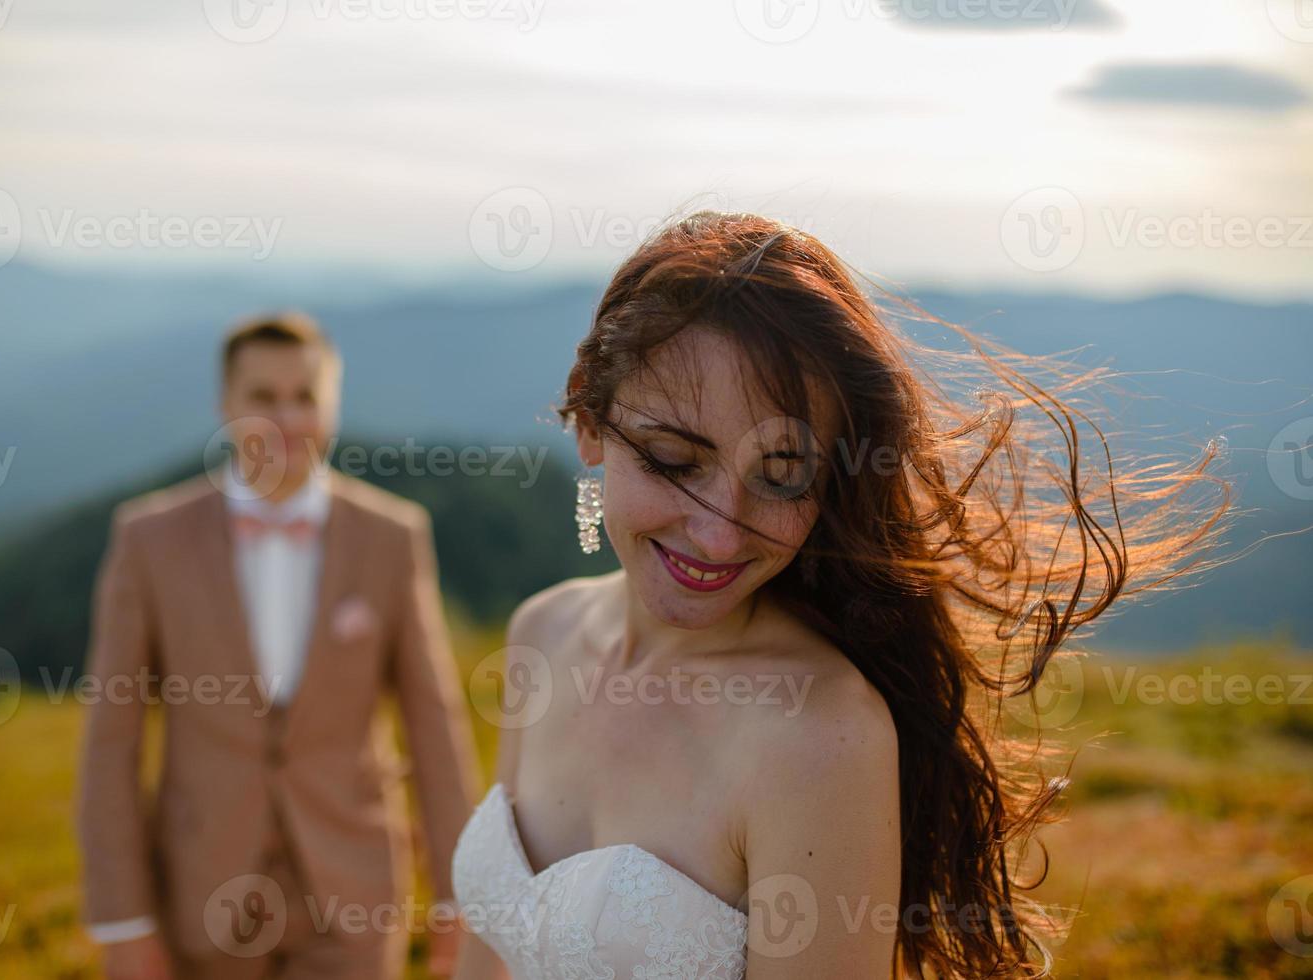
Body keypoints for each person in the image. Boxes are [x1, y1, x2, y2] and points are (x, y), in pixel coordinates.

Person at [449, 212, 1226, 979]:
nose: (721, 536)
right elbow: (491, 956)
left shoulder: (820, 736)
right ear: (590, 419)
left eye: (783, 474)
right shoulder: (539, 633)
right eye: (674, 461)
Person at [77, 312, 481, 979]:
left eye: (305, 397)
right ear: (225, 404)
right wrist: (123, 921)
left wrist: (456, 900)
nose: (286, 419)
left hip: (353, 898)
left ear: (333, 405)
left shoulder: (393, 537)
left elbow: (434, 727)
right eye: (263, 397)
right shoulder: (148, 540)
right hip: (200, 893)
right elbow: (111, 742)